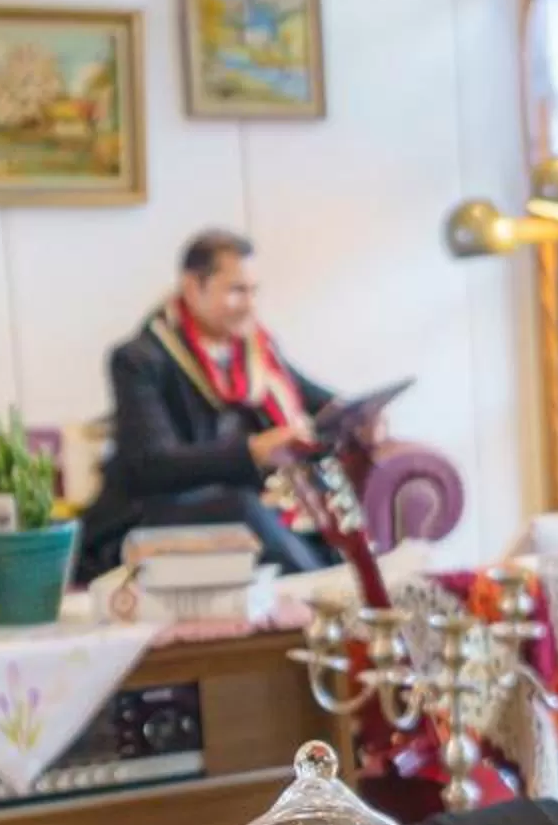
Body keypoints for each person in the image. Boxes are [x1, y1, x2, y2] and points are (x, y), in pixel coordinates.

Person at [77, 229, 371, 582]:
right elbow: (151, 463)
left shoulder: (255, 351)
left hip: (246, 503)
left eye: (253, 291)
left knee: (305, 499)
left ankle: (349, 584)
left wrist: (359, 416)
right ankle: (326, 591)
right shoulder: (140, 359)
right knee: (241, 508)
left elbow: (317, 403)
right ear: (191, 287)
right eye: (236, 291)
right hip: (156, 512)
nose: (249, 304)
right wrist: (254, 451)